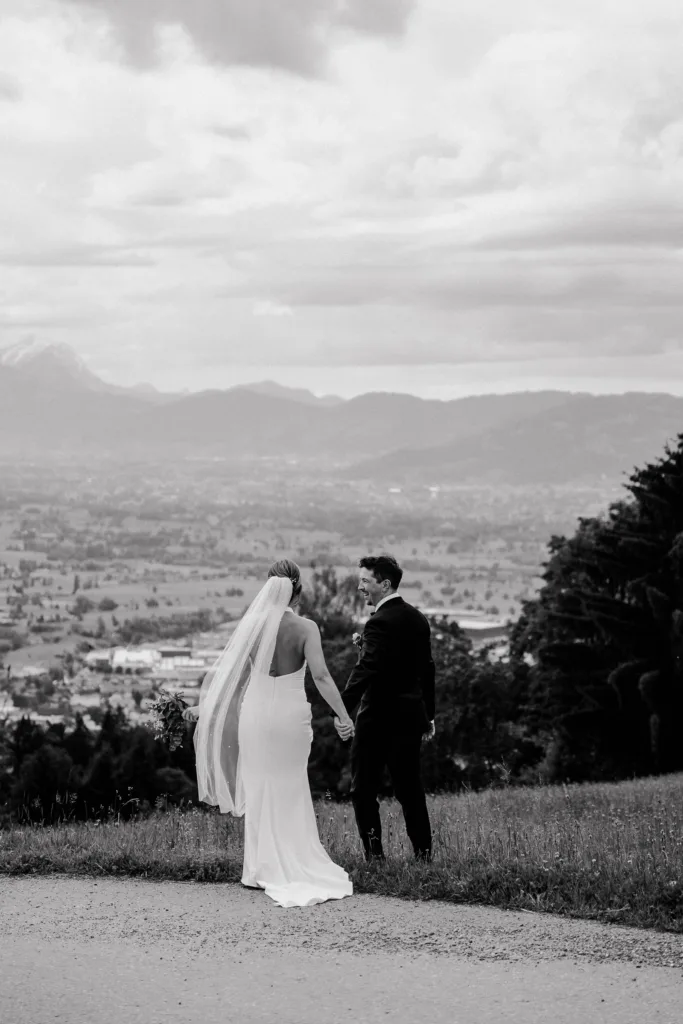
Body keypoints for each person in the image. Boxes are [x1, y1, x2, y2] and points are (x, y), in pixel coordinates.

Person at [184, 559, 355, 908]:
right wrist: (343, 715)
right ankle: (294, 861)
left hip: (256, 715)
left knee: (260, 785)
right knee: (290, 784)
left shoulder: (251, 627)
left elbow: (233, 678)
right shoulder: (307, 628)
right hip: (290, 716)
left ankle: (257, 870)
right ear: (298, 592)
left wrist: (206, 708)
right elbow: (321, 677)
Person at [335, 554, 435, 861]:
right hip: (409, 716)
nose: (360, 587)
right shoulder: (418, 618)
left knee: (363, 789)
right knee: (410, 791)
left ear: (385, 584)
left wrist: (340, 709)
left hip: (377, 718)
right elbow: (426, 670)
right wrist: (429, 715)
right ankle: (423, 857)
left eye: (366, 581)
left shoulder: (378, 622)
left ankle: (375, 858)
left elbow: (367, 669)